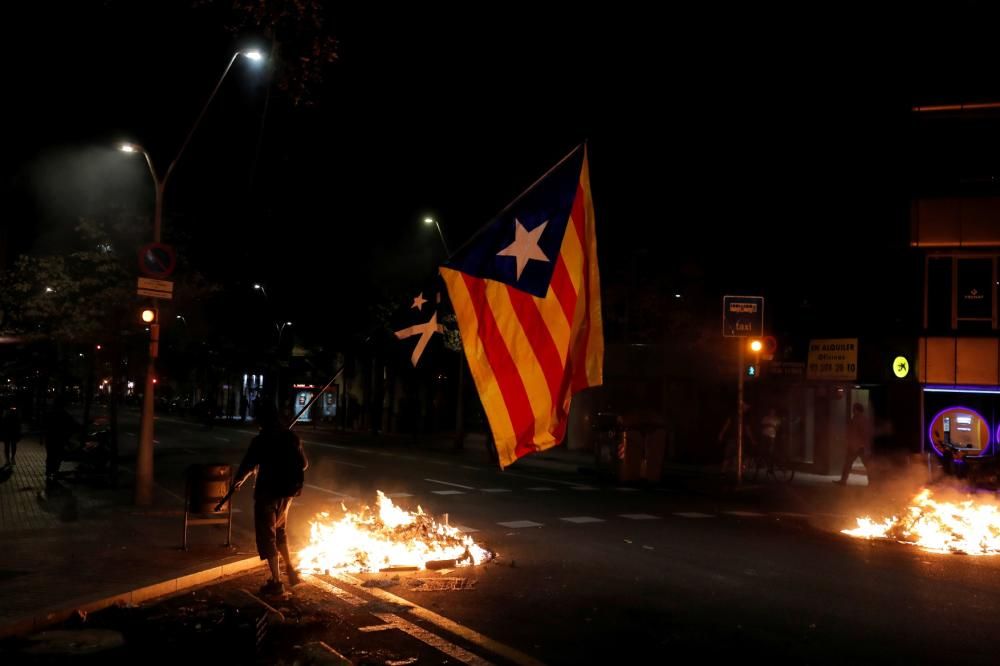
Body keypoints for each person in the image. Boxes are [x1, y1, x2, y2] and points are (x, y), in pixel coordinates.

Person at [230, 402, 308, 596]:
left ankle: (276, 581)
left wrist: (238, 481)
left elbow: (248, 464)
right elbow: (304, 465)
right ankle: (289, 568)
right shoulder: (291, 437)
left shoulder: (261, 440)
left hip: (267, 493)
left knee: (267, 536)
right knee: (280, 531)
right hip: (287, 494)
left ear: (262, 420)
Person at [835, 402, 872, 485]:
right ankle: (843, 481)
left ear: (857, 410)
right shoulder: (859, 419)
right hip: (857, 446)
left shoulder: (859, 420)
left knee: (849, 464)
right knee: (865, 465)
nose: (853, 411)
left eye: (854, 409)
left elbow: (863, 433)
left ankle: (843, 481)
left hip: (857, 446)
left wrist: (862, 444)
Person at [45, 398, 78, 482]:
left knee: (51, 456)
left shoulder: (50, 414)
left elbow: (45, 425)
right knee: (57, 456)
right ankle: (53, 472)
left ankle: (49, 472)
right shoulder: (64, 414)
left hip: (50, 438)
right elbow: (73, 425)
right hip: (59, 439)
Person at [719, 402, 755, 474]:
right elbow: (727, 424)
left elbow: (748, 429)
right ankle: (723, 471)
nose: (747, 409)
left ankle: (740, 470)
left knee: (742, 455)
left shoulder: (745, 417)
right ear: (743, 405)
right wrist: (721, 434)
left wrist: (752, 439)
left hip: (741, 439)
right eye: (746, 406)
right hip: (732, 437)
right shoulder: (734, 414)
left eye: (748, 408)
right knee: (728, 454)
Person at [759, 407, 781, 475]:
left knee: (771, 450)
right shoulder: (766, 418)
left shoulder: (777, 419)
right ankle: (764, 462)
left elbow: (778, 428)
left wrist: (775, 427)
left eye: (773, 411)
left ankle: (771, 465)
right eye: (771, 411)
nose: (772, 412)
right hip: (765, 435)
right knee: (764, 449)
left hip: (772, 435)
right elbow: (762, 425)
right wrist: (768, 425)